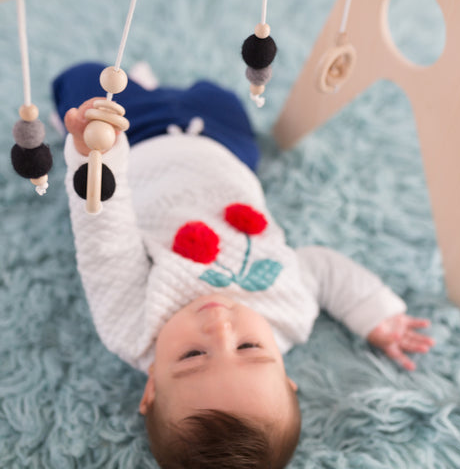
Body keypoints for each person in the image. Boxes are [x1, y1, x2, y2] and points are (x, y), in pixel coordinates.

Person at [53, 62, 435, 469]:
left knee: (78, 82)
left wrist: (95, 160)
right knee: (219, 95)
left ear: (150, 389)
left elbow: (105, 243)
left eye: (192, 355)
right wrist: (373, 312)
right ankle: (161, 86)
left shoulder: (133, 328)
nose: (220, 327)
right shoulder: (289, 311)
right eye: (249, 347)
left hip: (140, 145)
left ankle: (132, 95)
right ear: (286, 375)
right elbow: (322, 269)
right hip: (223, 149)